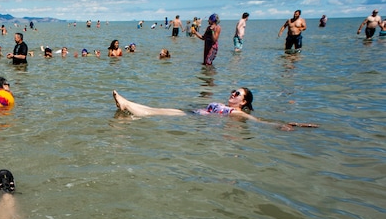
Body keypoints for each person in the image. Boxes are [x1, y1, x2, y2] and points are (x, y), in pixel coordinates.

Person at [111, 89, 319, 130]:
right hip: (195, 113)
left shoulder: (237, 113)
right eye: (233, 91)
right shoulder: (224, 106)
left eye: (237, 94)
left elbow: (258, 122)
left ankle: (127, 105)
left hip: (195, 120)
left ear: (244, 103)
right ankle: (127, 106)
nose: (233, 95)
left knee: (154, 112)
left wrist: (282, 125)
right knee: (154, 109)